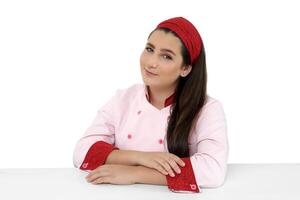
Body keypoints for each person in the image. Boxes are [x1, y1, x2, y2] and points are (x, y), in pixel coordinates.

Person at [73, 16, 229, 193]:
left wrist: (135, 174)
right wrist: (141, 158)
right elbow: (81, 152)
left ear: (185, 68)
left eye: (166, 56)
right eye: (149, 49)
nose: (151, 62)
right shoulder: (123, 99)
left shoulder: (207, 109)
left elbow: (213, 170)